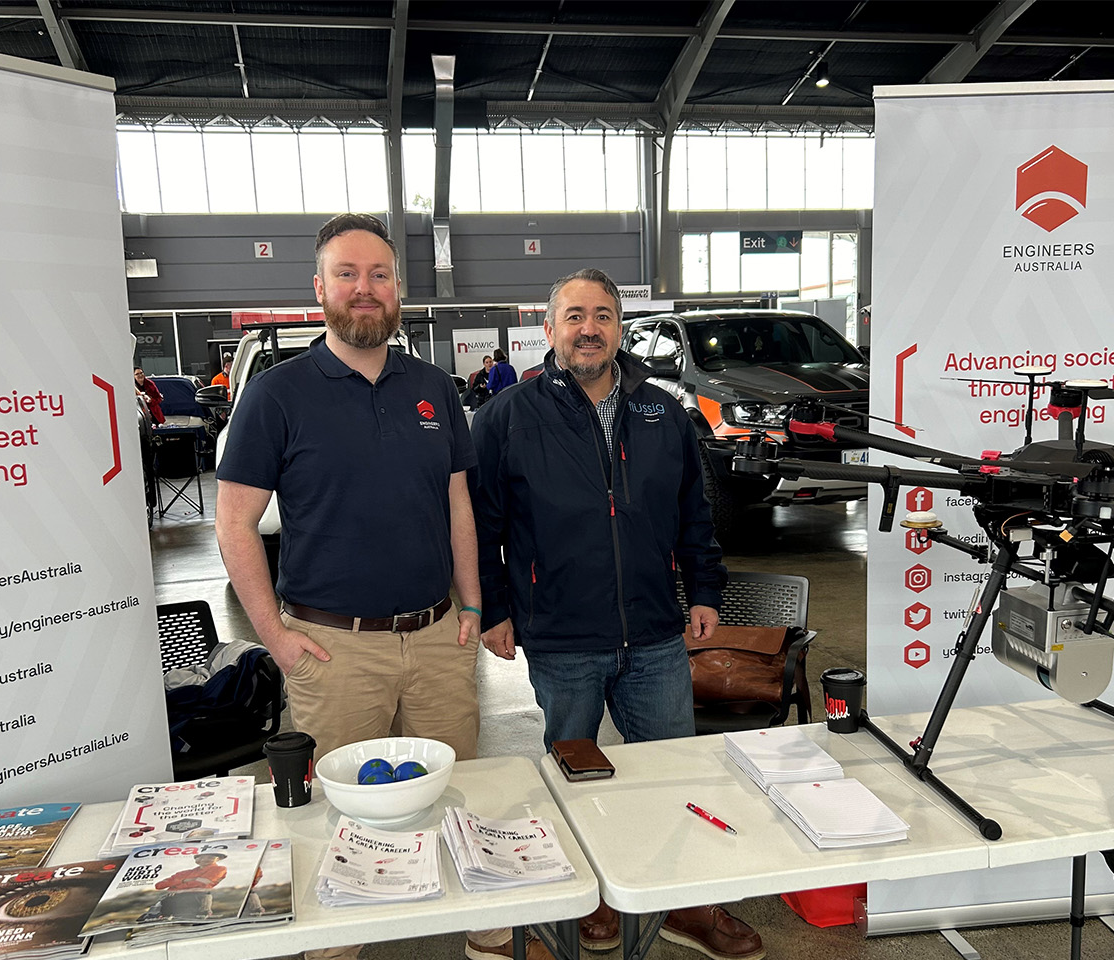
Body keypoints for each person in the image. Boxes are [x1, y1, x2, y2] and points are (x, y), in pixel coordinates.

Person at [214, 213, 495, 960]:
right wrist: (274, 636)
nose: (364, 289)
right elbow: (236, 522)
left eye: (378, 275)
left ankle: (483, 931)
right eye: (347, 274)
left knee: (458, 796)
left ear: (397, 288)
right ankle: (338, 945)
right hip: (335, 648)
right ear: (320, 288)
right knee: (338, 818)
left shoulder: (434, 388)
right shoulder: (276, 395)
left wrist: (470, 604)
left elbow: (458, 502)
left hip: (438, 637)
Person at [470, 268, 764, 960]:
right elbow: (484, 523)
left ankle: (686, 903)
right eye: (573, 315)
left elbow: (694, 512)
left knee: (674, 773)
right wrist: (494, 608)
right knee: (573, 776)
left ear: (620, 327)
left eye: (602, 314)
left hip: (656, 634)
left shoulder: (662, 411)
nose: (589, 328)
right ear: (548, 329)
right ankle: (592, 899)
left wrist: (704, 589)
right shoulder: (509, 416)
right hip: (562, 633)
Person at [141, 853, 227, 921]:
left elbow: (203, 884)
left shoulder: (220, 869)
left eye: (210, 857)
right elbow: (159, 885)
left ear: (218, 859)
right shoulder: (183, 873)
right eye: (201, 857)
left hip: (197, 901)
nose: (205, 860)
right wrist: (186, 880)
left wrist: (175, 886)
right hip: (173, 902)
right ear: (196, 859)